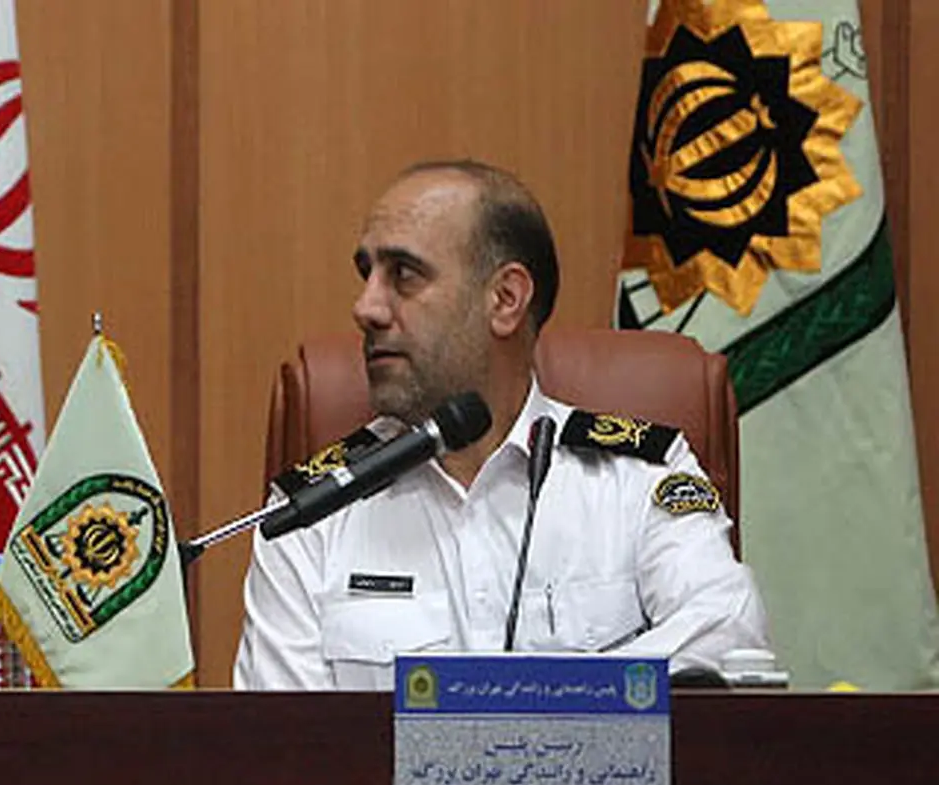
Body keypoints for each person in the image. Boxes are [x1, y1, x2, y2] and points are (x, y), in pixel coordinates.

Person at [233, 159, 769, 690]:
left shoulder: (637, 479)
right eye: (366, 274)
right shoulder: (310, 514)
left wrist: (521, 706)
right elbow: (284, 736)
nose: (365, 307)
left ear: (506, 299)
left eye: (404, 275)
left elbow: (729, 637)